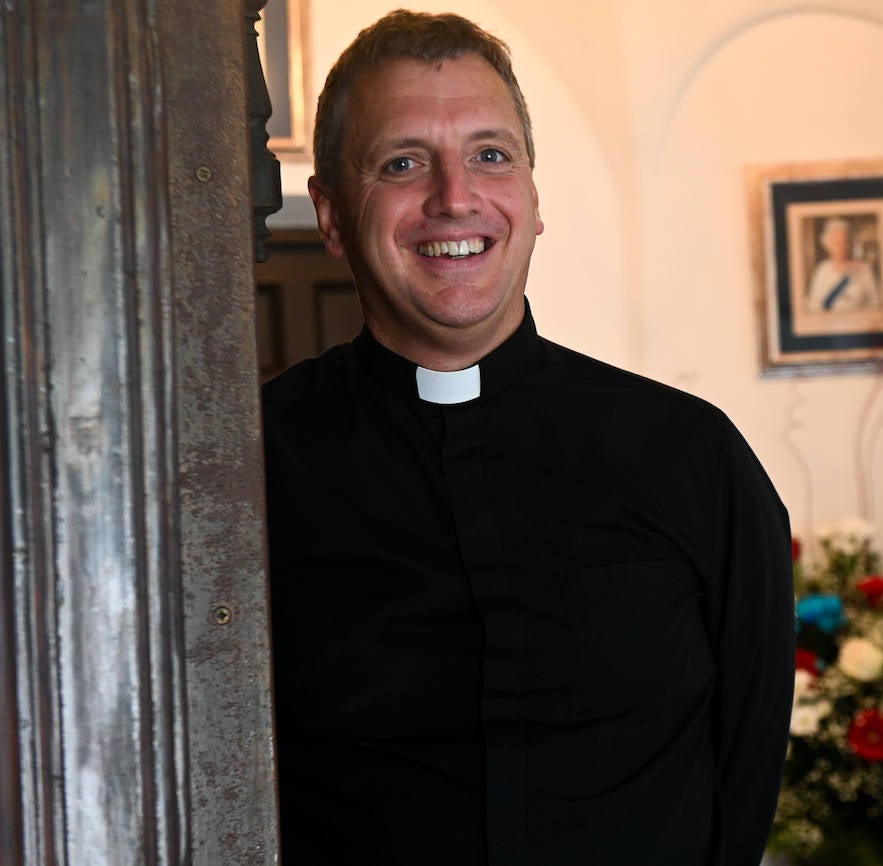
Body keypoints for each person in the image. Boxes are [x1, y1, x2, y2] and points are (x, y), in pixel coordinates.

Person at [261, 11, 795, 866]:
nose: (455, 198)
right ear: (329, 214)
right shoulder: (249, 470)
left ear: (534, 199)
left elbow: (749, 753)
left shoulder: (692, 457)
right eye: (402, 163)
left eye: (490, 155)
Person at [805, 217, 883, 313]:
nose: (842, 246)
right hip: (828, 325)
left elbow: (876, 301)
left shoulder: (864, 269)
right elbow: (813, 304)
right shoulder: (822, 270)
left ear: (851, 244)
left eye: (845, 242)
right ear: (828, 245)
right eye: (836, 242)